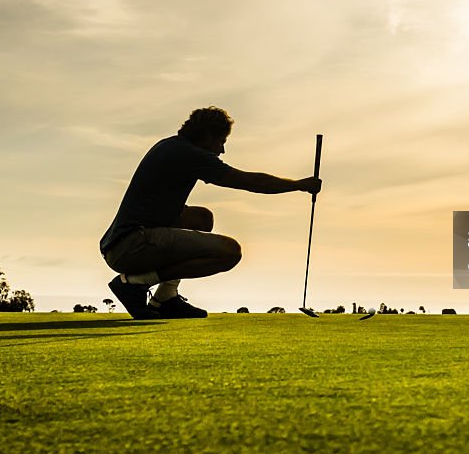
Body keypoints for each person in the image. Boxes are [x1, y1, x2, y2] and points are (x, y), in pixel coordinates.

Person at [100, 106, 322, 319]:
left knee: (203, 218)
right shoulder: (190, 154)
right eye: (221, 141)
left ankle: (165, 297)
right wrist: (298, 185)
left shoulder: (171, 146)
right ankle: (135, 282)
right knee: (230, 252)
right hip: (132, 246)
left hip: (120, 244)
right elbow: (247, 181)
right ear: (206, 136)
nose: (222, 149)